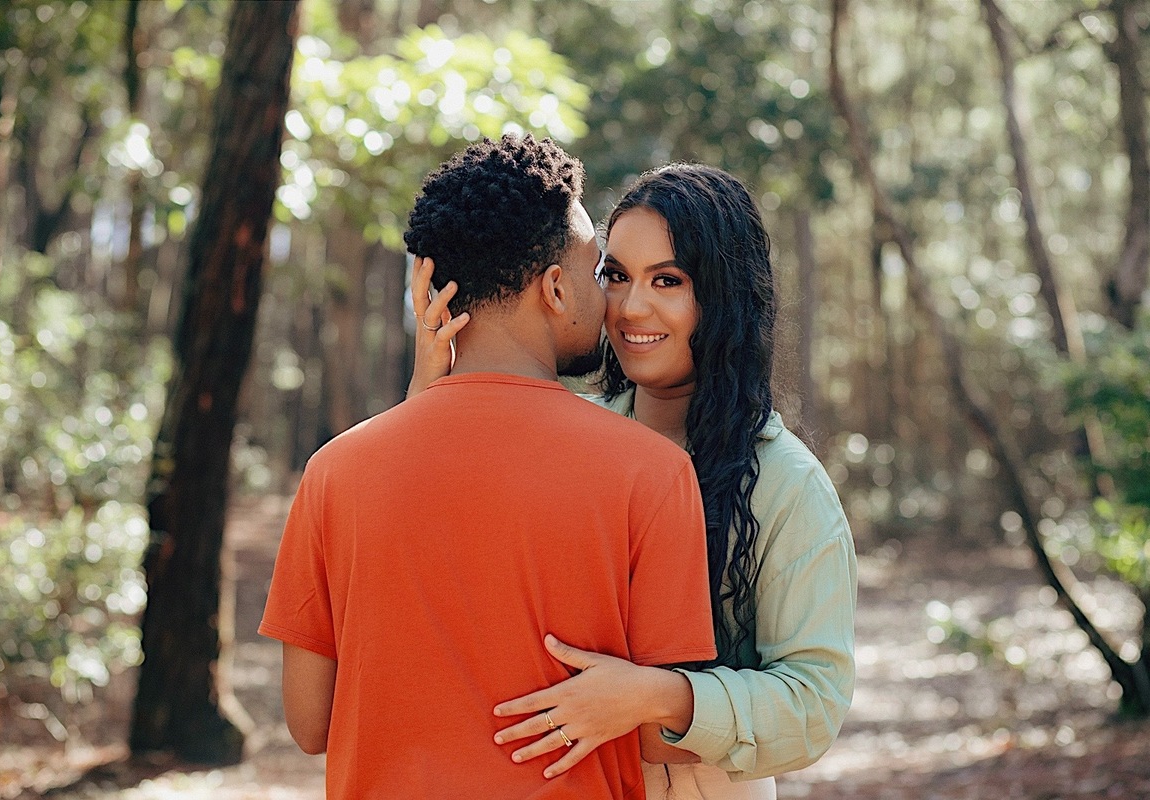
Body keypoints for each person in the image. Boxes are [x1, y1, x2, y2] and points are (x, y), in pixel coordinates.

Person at [258, 135, 719, 800]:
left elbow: (309, 722)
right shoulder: (652, 472)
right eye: (596, 272)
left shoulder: (336, 472)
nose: (608, 297)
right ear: (555, 288)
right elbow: (655, 738)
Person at [409, 163, 857, 800]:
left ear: (725, 295)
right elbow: (440, 549)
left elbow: (814, 705)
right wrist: (432, 392)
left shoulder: (786, 486)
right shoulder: (565, 439)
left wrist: (655, 697)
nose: (629, 307)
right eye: (614, 276)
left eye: (667, 280)